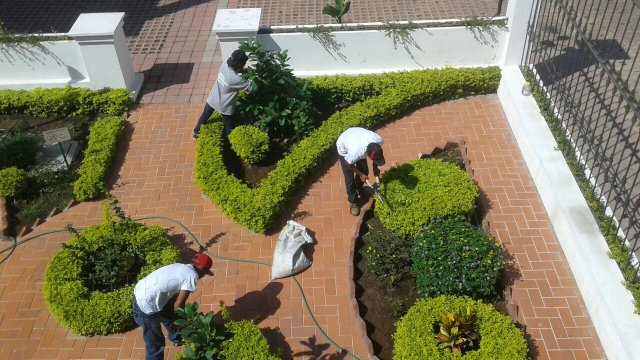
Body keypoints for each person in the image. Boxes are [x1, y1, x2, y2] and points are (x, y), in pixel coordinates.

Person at [132, 253, 214, 360]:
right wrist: (186, 320)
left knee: (169, 312)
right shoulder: (192, 276)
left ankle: (177, 337)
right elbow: (179, 305)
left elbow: (172, 299)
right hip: (145, 306)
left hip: (140, 293)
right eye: (205, 273)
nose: (203, 276)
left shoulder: (180, 266)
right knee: (155, 344)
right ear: (202, 268)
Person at [193, 49, 252, 138]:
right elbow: (251, 88)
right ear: (239, 65)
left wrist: (242, 70)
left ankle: (196, 132)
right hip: (224, 106)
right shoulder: (236, 79)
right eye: (243, 64)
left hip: (212, 98)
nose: (244, 66)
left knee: (204, 116)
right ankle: (231, 141)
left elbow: (234, 71)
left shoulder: (224, 64)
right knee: (229, 125)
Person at [336, 127, 386, 216]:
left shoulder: (378, 140)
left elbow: (376, 159)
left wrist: (375, 168)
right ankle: (353, 201)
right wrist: (360, 174)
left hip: (355, 137)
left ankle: (359, 188)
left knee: (365, 170)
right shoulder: (357, 152)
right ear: (367, 154)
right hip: (344, 147)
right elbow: (348, 163)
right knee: (349, 179)